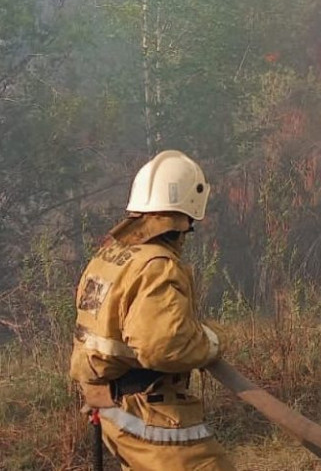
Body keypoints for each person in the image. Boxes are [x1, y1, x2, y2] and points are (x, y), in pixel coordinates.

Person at [69, 150, 234, 470]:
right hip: (149, 412)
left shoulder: (113, 255)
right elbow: (164, 347)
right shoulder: (157, 266)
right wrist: (210, 344)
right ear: (188, 212)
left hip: (110, 405)